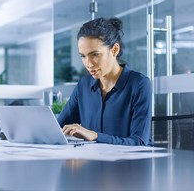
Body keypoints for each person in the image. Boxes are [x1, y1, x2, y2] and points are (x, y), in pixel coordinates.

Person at [57, 17, 152, 146]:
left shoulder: (138, 84)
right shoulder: (84, 86)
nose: (88, 64)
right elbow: (57, 128)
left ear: (114, 50)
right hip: (93, 162)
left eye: (95, 55)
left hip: (128, 164)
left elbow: (139, 142)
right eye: (83, 56)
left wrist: (95, 136)